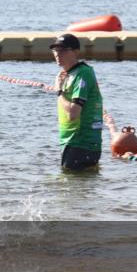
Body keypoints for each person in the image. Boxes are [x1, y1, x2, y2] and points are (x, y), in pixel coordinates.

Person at [51, 33, 104, 172]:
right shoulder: (69, 74)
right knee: (76, 189)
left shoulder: (83, 73)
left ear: (76, 52)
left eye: (62, 50)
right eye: (55, 51)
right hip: (71, 143)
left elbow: (73, 113)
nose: (57, 54)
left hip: (81, 144)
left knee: (69, 188)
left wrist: (59, 92)